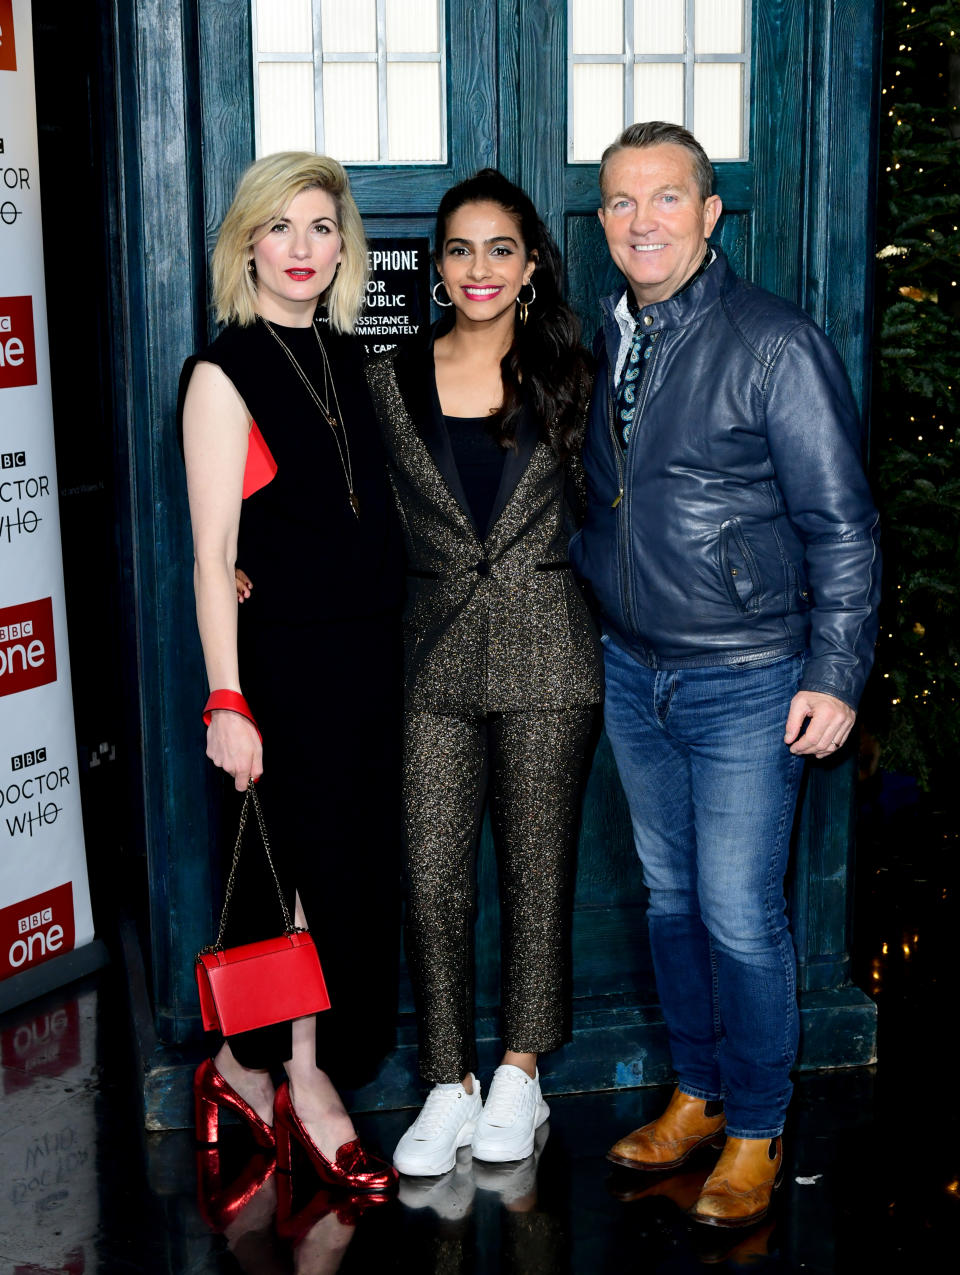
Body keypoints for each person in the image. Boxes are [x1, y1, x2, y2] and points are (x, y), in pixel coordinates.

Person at [569, 122, 881, 1227]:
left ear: (710, 214)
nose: (641, 221)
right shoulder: (599, 335)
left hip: (750, 675)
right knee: (669, 901)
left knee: (739, 913)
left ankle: (757, 1124)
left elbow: (843, 525)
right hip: (633, 669)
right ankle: (697, 1093)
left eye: (665, 199)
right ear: (600, 220)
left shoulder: (773, 343)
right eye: (619, 202)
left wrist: (835, 671)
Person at [363, 169, 603, 1177]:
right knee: (432, 878)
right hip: (433, 657)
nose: (478, 269)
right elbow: (359, 517)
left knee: (538, 875)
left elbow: (624, 508)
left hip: (552, 650)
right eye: (460, 249)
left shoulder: (574, 373)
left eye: (500, 249)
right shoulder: (388, 378)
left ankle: (519, 1074)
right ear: (438, 264)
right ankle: (447, 1079)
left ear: (533, 263)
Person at [180, 151, 404, 1194]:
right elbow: (213, 555)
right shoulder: (225, 373)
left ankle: (229, 1066)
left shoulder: (360, 362)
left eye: (322, 228)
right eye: (283, 227)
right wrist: (228, 699)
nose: (304, 249)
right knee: (298, 879)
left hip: (367, 665)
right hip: (282, 671)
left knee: (346, 878)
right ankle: (303, 1082)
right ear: (249, 244)